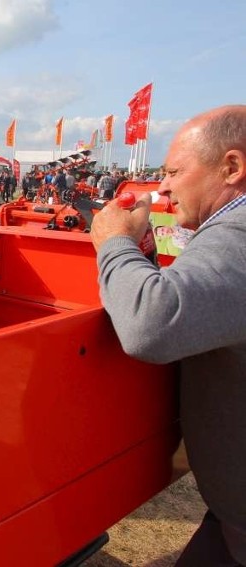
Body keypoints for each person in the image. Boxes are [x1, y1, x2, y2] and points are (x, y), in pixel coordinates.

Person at [90, 105, 246, 566]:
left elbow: (151, 325)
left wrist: (115, 245)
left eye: (175, 171)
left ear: (232, 167)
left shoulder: (237, 236)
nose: (163, 186)